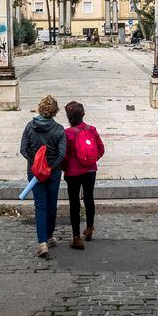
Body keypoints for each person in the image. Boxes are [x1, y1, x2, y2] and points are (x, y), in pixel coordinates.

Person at [19, 94, 66, 258]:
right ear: (55, 112)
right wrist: (51, 168)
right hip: (53, 173)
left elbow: (23, 149)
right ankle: (50, 236)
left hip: (35, 174)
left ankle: (42, 243)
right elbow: (62, 154)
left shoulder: (29, 127)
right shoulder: (59, 129)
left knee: (40, 206)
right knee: (51, 205)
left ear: (40, 108)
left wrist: (35, 164)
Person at [62, 100, 104, 250]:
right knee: (89, 198)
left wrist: (64, 168)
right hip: (90, 170)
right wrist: (92, 160)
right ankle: (90, 227)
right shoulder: (91, 129)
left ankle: (76, 237)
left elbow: (64, 155)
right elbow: (100, 148)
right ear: (83, 114)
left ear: (68, 117)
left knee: (74, 203)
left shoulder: (67, 133)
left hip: (73, 172)